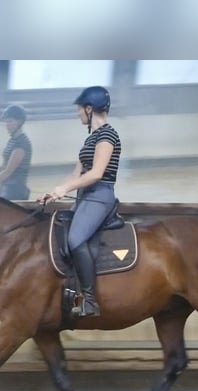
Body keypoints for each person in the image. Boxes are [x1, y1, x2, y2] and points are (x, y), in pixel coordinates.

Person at [39, 86, 121, 319]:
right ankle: (71, 295)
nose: (77, 114)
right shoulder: (91, 138)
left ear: (89, 108)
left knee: (75, 239)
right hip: (85, 196)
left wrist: (65, 189)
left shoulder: (107, 135)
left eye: (79, 109)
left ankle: (90, 300)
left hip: (100, 195)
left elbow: (96, 174)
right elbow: (76, 175)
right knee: (63, 237)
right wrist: (53, 193)